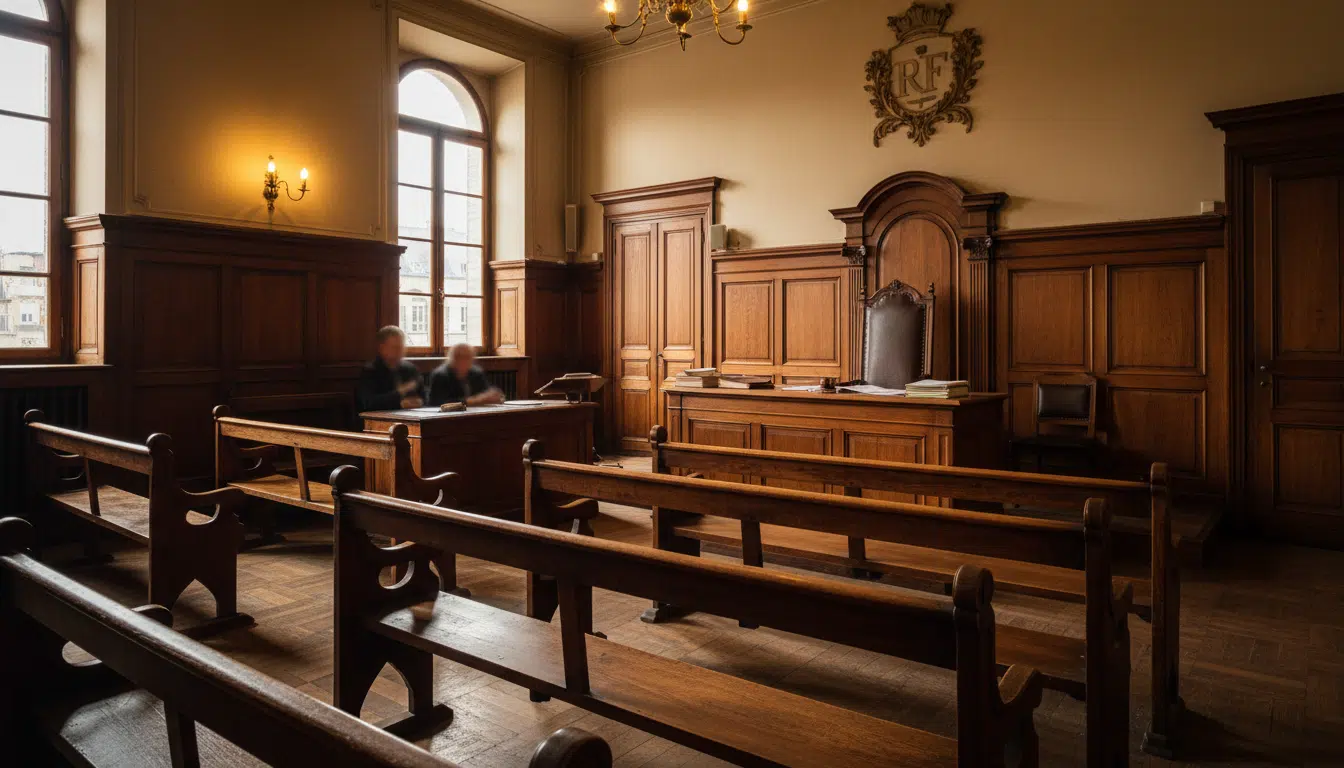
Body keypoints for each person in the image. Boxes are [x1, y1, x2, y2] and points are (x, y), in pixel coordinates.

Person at [356, 326, 424, 411]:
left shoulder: (410, 369)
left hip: (412, 416)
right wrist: (399, 395)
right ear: (382, 348)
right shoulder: (370, 371)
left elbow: (424, 396)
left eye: (402, 347)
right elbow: (368, 403)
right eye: (395, 347)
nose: (400, 351)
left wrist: (420, 402)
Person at [427, 343, 505, 407]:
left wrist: (494, 396)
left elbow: (485, 392)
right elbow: (438, 403)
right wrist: (474, 401)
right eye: (459, 356)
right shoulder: (440, 375)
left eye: (468, 357)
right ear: (451, 358)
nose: (463, 360)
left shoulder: (476, 373)